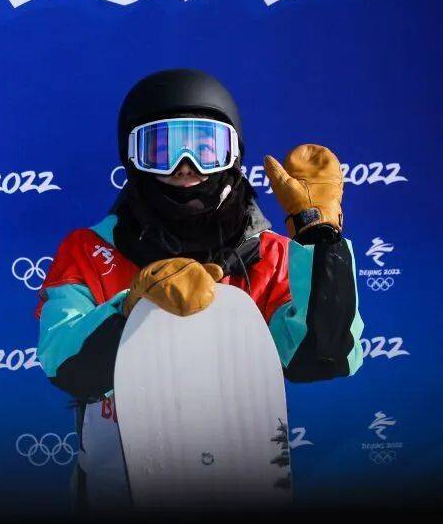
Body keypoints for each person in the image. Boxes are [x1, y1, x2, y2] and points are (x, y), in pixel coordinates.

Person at [35, 68, 363, 510]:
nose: (185, 167)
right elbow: (65, 365)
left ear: (233, 155)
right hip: (121, 490)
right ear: (132, 159)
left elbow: (322, 358)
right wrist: (132, 309)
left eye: (206, 148)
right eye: (162, 150)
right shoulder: (90, 250)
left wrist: (320, 241)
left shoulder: (268, 254)